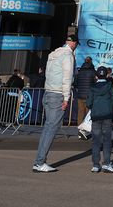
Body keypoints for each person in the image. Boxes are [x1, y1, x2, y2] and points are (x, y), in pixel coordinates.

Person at [33, 33, 78, 173]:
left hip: (48, 92)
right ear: (74, 43)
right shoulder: (68, 56)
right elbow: (67, 76)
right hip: (57, 94)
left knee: (47, 128)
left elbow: (48, 74)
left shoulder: (53, 54)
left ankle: (39, 161)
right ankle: (39, 162)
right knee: (51, 129)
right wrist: (66, 98)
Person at [88, 66, 113, 173]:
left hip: (96, 116)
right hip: (107, 115)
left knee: (96, 141)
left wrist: (95, 107)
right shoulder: (109, 86)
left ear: (97, 75)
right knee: (107, 140)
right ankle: (106, 163)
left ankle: (96, 165)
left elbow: (88, 103)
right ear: (106, 75)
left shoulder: (92, 87)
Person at [74, 57, 96, 131]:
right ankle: (86, 129)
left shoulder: (79, 72)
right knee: (88, 113)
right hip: (89, 96)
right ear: (91, 62)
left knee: (80, 112)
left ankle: (80, 129)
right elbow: (95, 83)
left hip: (80, 95)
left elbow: (75, 83)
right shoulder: (93, 72)